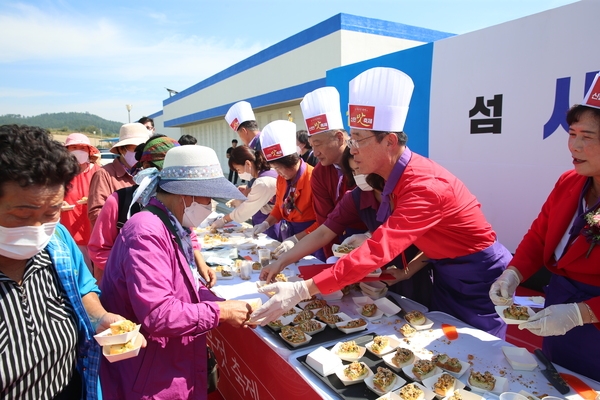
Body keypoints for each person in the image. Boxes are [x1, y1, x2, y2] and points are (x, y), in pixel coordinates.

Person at [252, 67, 511, 338]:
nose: (352, 150)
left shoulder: (423, 185)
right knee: (447, 343)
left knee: (483, 348)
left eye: (359, 141)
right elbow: (327, 229)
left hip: (479, 274)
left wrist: (302, 290)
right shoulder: (389, 180)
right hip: (445, 270)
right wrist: (284, 259)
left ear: (389, 141)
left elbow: (377, 250)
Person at [99, 145, 251, 399]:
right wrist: (220, 311)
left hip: (169, 359)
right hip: (150, 371)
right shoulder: (146, 232)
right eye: (207, 198)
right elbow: (158, 313)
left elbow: (186, 285)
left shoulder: (172, 225)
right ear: (186, 195)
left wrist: (224, 304)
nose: (211, 205)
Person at [0, 124, 127, 399]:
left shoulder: (57, 240)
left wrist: (100, 317)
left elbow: (83, 288)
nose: (38, 228)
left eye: (52, 211)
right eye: (23, 215)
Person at [489, 80, 600, 381]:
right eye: (572, 134)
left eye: (586, 137)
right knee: (553, 380)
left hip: (595, 320)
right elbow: (540, 236)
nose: (574, 146)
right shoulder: (569, 181)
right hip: (557, 312)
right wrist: (512, 274)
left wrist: (582, 314)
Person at [262, 148, 433, 307]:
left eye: (360, 168)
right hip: (380, 275)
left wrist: (406, 272)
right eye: (353, 171)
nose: (358, 175)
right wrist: (281, 261)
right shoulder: (356, 196)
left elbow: (430, 244)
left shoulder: (405, 193)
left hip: (416, 271)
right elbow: (323, 232)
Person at [88, 135, 214, 286]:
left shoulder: (178, 201)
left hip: (167, 282)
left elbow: (187, 234)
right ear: (147, 168)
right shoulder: (119, 201)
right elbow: (99, 249)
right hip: (123, 288)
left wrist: (200, 263)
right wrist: (134, 271)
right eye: (166, 171)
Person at [289, 86, 366, 259]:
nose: (314, 152)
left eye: (318, 144)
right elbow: (325, 224)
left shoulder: (365, 165)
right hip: (336, 243)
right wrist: (331, 259)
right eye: (311, 145)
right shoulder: (319, 174)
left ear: (339, 138)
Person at [251, 120, 324, 260]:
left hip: (311, 237)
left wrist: (296, 239)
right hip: (288, 234)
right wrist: (266, 223)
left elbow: (323, 222)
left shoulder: (314, 178)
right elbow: (279, 207)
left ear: (290, 162)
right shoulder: (281, 179)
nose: (278, 173)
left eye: (278, 168)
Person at [87, 123, 149, 228]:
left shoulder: (148, 173)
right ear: (121, 149)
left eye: (144, 149)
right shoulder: (104, 174)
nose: (140, 153)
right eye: (136, 148)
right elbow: (96, 214)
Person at [211, 145, 279, 239]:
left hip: (273, 222)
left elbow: (245, 211)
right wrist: (249, 190)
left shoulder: (262, 182)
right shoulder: (267, 172)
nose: (239, 174)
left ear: (247, 164)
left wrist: (224, 220)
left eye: (238, 170)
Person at [60, 133, 102, 273]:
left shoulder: (98, 171)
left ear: (89, 151)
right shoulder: (59, 173)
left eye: (83, 148)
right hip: (69, 232)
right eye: (74, 147)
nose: (78, 150)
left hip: (94, 233)